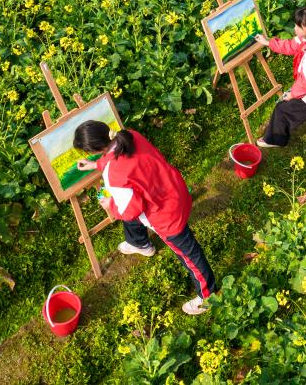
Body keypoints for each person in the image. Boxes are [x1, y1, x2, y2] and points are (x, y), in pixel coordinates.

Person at [73, 123, 216, 315]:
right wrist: (96, 165)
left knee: (190, 255)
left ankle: (209, 296)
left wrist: (111, 205)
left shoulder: (113, 175)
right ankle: (140, 243)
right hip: (173, 190)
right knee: (185, 246)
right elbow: (120, 159)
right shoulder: (130, 136)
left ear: (95, 150)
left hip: (165, 215)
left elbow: (130, 211)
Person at [253, 6, 306, 148]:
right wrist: (268, 42)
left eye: (298, 27)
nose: (295, 29)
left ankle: (275, 139)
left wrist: (292, 95)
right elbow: (290, 46)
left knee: (282, 109)